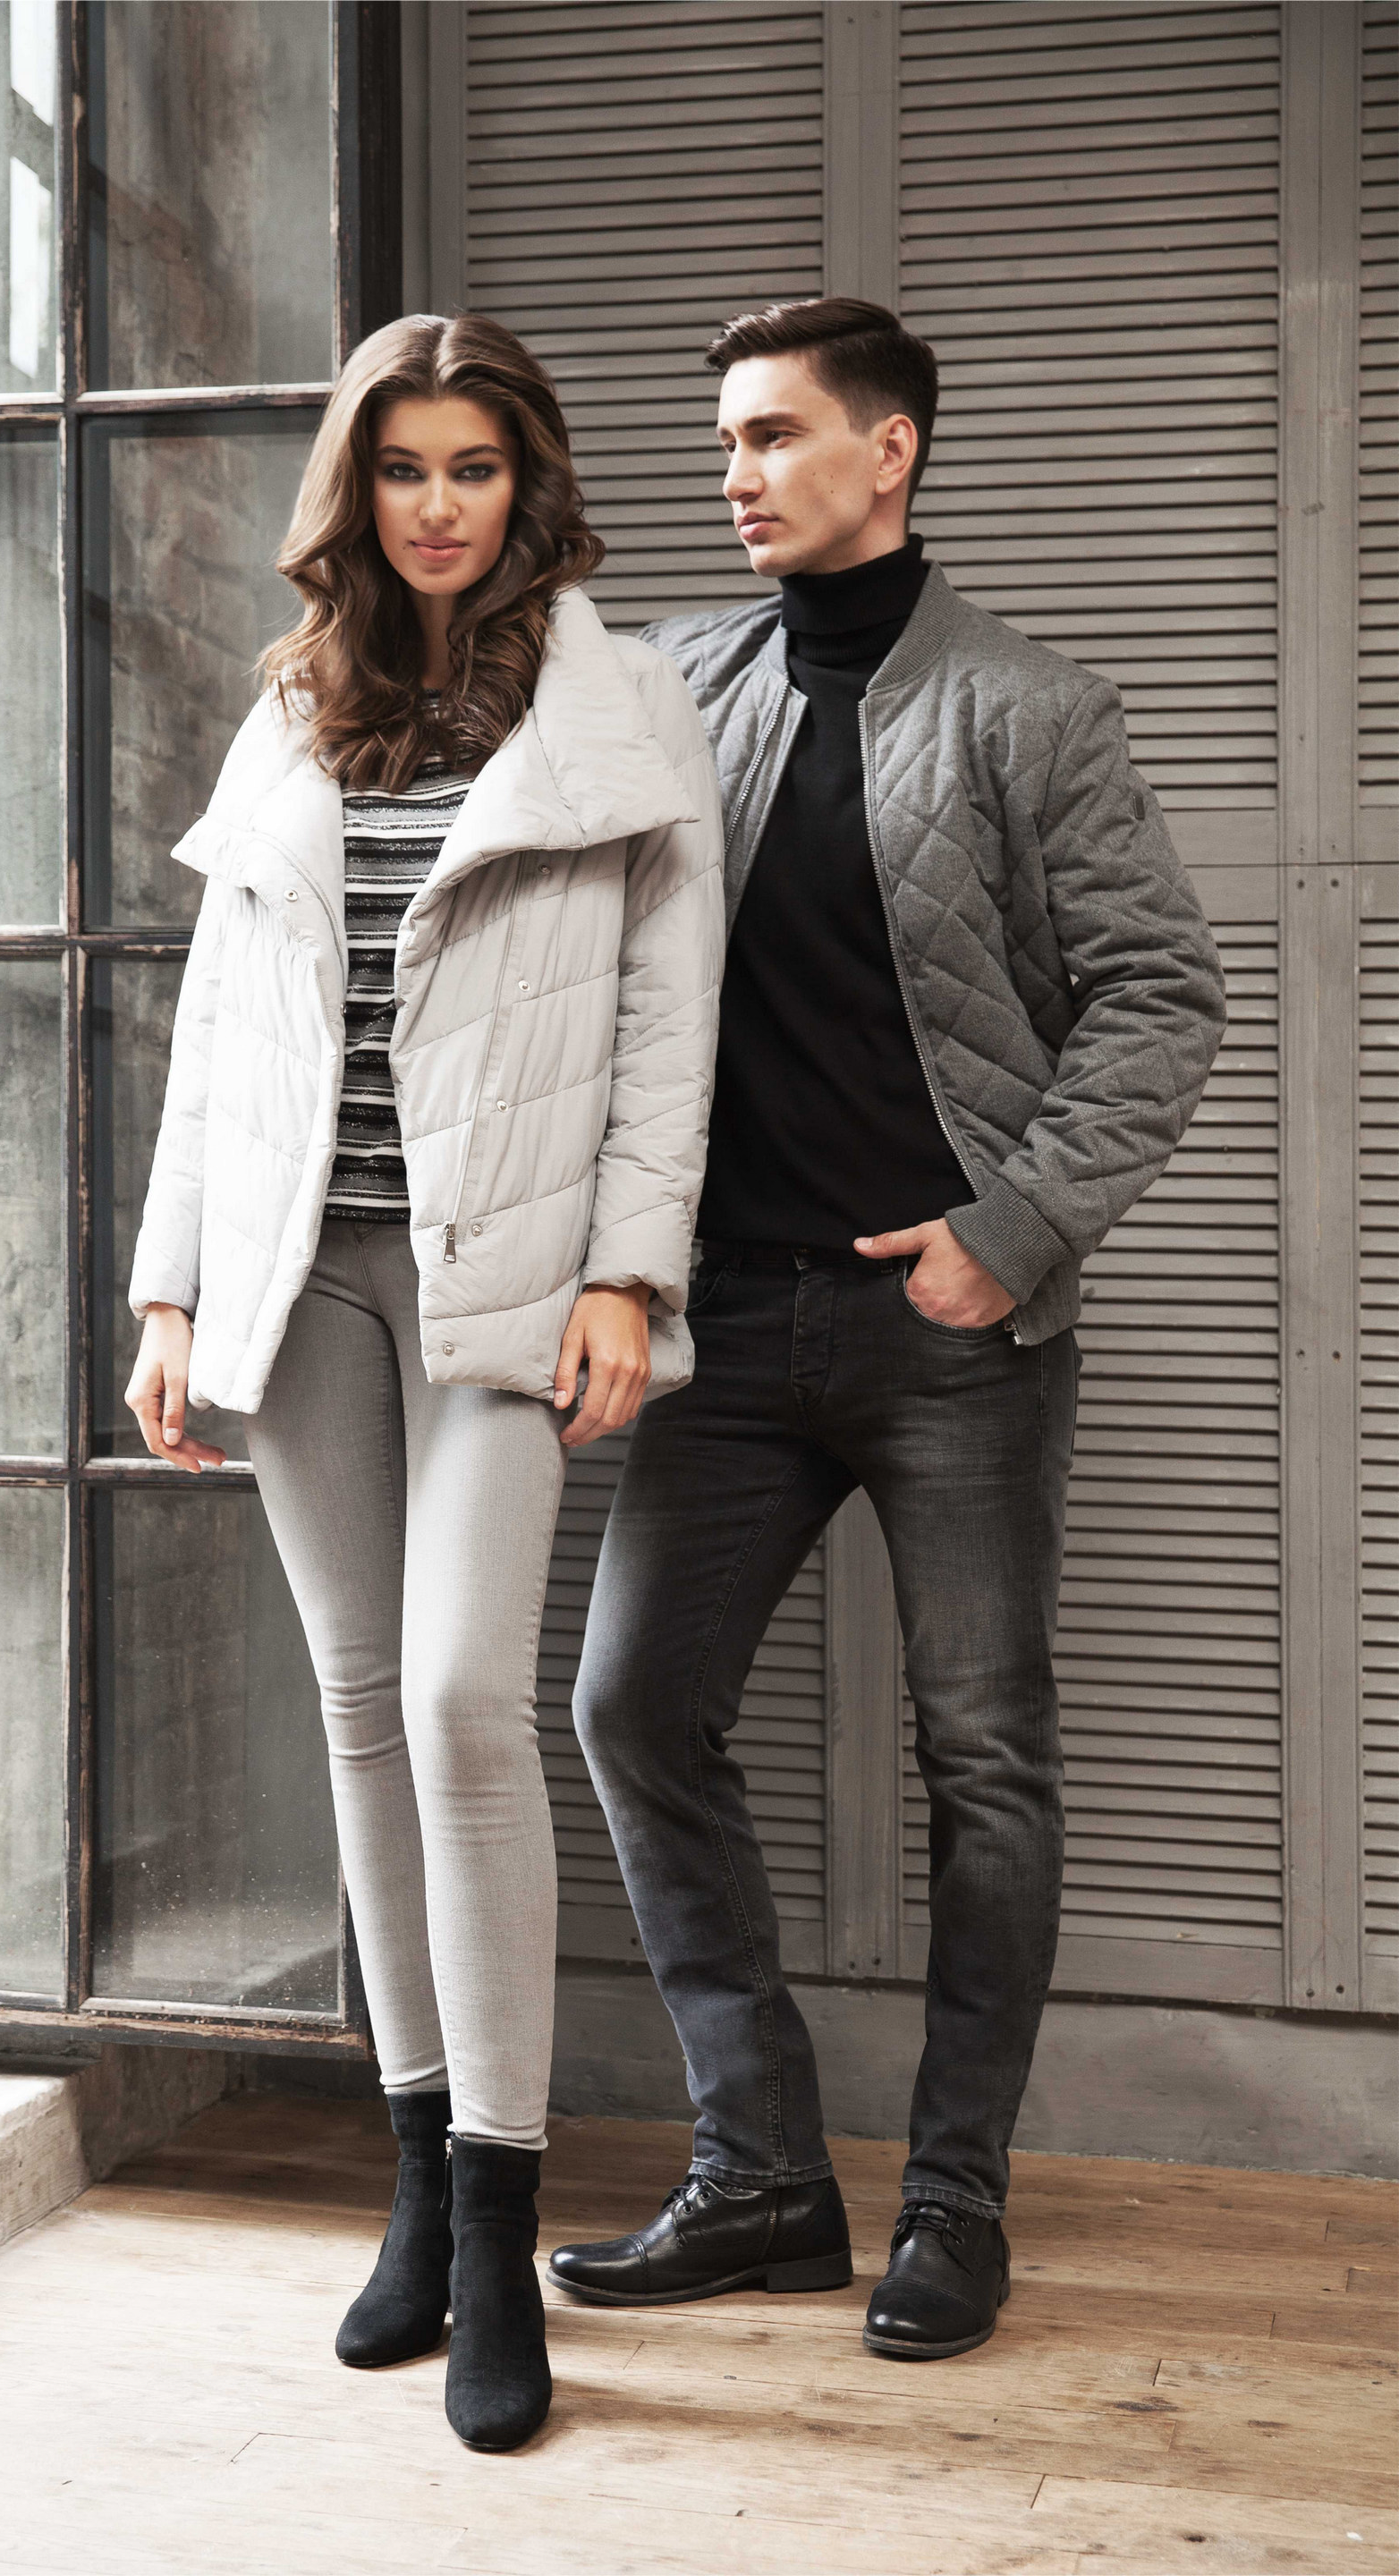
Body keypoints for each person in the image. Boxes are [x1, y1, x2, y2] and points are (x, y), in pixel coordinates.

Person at [547, 297, 1226, 2360]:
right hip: (724, 1328)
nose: (735, 474)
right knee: (632, 1708)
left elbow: (1162, 993)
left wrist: (1011, 1231)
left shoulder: (1031, 707)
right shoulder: (672, 679)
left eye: (772, 435)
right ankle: (761, 2171)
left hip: (949, 1333)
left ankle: (955, 2200)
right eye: (724, 443)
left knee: (985, 1758)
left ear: (890, 448)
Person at [123, 313, 723, 2449]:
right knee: (363, 1710)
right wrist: (172, 1291)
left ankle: (499, 2223)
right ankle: (412, 2180)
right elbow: (224, 1025)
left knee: (469, 1703)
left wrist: (631, 1272)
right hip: (301, 1280)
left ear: (527, 481)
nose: (441, 505)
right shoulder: (294, 704)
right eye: (404, 468)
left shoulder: (623, 705)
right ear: (356, 490)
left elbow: (668, 1020)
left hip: (508, 1278)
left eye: (476, 465)